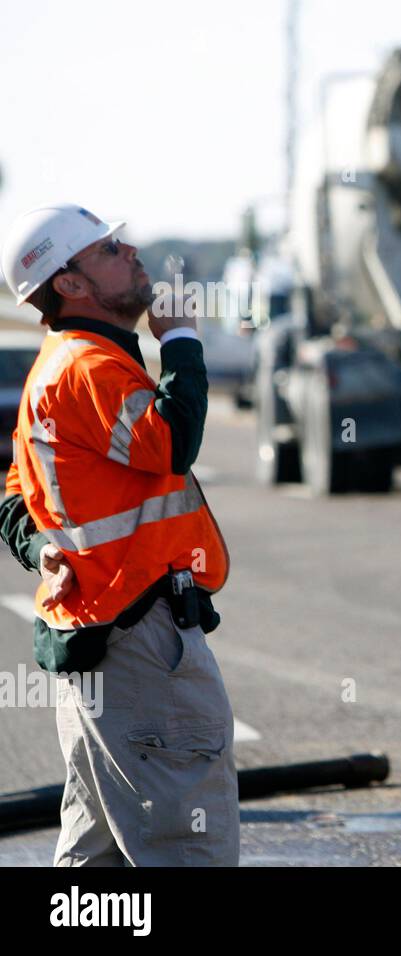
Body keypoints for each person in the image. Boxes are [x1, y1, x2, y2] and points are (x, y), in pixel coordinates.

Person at [0, 203, 236, 866]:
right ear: (69, 285)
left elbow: (15, 493)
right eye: (107, 250)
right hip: (138, 639)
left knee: (96, 852)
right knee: (186, 842)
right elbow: (170, 443)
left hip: (101, 636)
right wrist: (183, 341)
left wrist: (36, 545)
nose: (130, 252)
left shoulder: (65, 363)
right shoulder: (87, 368)